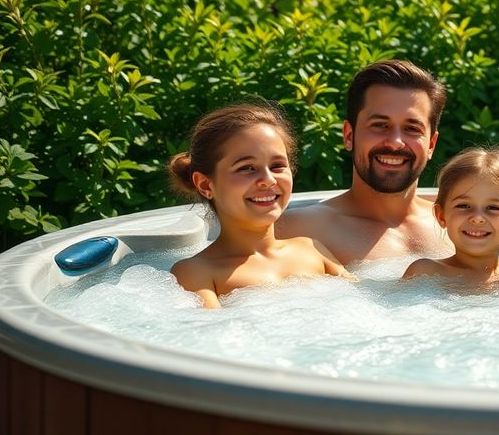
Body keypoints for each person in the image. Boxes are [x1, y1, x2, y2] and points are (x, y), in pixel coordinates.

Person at [168, 103, 353, 308]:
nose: (268, 180)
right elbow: (212, 336)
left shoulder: (311, 249)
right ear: (205, 184)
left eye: (277, 166)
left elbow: (367, 304)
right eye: (247, 168)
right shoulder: (196, 272)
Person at [276, 60, 453, 264]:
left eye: (412, 128)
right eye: (380, 125)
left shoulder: (462, 225)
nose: (396, 143)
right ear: (349, 135)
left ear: (431, 144)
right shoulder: (298, 230)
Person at [402, 148, 499, 282]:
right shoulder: (426, 272)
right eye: (463, 206)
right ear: (441, 216)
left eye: (493, 208)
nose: (477, 218)